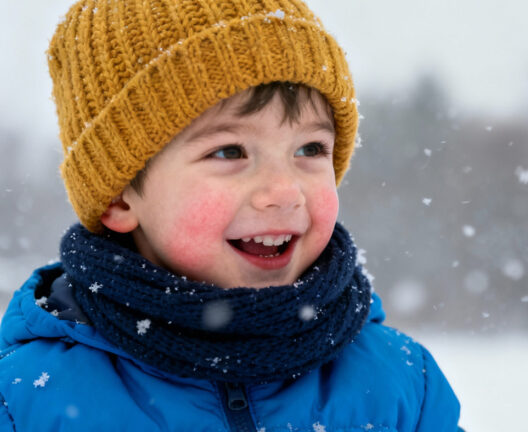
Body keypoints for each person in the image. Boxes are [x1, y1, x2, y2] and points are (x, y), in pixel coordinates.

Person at [0, 0, 461, 430]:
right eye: (229, 151)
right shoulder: (29, 399)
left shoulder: (399, 384)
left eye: (310, 149)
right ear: (119, 198)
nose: (284, 192)